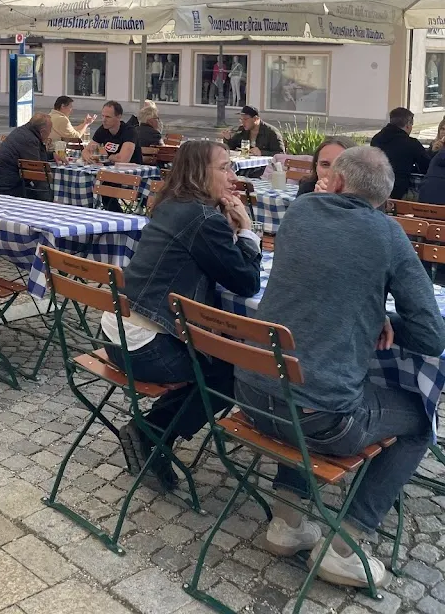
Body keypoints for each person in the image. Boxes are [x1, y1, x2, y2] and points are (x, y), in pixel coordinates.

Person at [235, 147, 445, 589]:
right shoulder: (387, 234)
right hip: (321, 421)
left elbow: (324, 280)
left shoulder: (300, 212)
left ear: (336, 183)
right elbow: (431, 337)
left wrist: (374, 314)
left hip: (249, 398)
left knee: (300, 374)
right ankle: (344, 545)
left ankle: (288, 523)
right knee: (421, 423)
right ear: (384, 199)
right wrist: (388, 320)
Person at [100, 140, 261, 487]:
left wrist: (228, 229)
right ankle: (152, 432)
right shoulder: (202, 218)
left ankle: (152, 432)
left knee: (218, 360)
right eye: (225, 167)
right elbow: (247, 283)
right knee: (231, 371)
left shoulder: (173, 205)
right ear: (199, 172)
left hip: (116, 334)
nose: (232, 175)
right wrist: (247, 229)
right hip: (145, 348)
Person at [0, 114, 54, 199]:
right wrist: (48, 200)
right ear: (42, 131)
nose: (50, 133)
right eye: (50, 131)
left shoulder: (21, 131)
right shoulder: (30, 140)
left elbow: (33, 155)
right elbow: (37, 173)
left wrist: (52, 155)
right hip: (4, 187)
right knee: (41, 194)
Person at [370, 107, 429, 199]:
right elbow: (426, 167)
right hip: (398, 192)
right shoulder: (411, 143)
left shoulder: (376, 139)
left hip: (375, 188)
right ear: (408, 124)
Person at [82, 101, 143, 165]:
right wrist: (89, 158)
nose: (104, 120)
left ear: (119, 117)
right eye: (103, 116)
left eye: (108, 117)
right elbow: (85, 151)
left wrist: (108, 157)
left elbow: (123, 160)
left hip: (131, 172)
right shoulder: (103, 129)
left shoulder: (129, 131)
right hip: (110, 170)